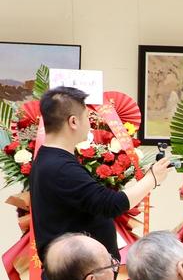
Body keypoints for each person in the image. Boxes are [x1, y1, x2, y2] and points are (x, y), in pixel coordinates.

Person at [30, 85, 170, 260]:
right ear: (73, 122)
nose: (90, 124)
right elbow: (110, 204)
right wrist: (152, 179)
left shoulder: (47, 158)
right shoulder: (60, 167)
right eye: (87, 117)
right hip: (78, 270)